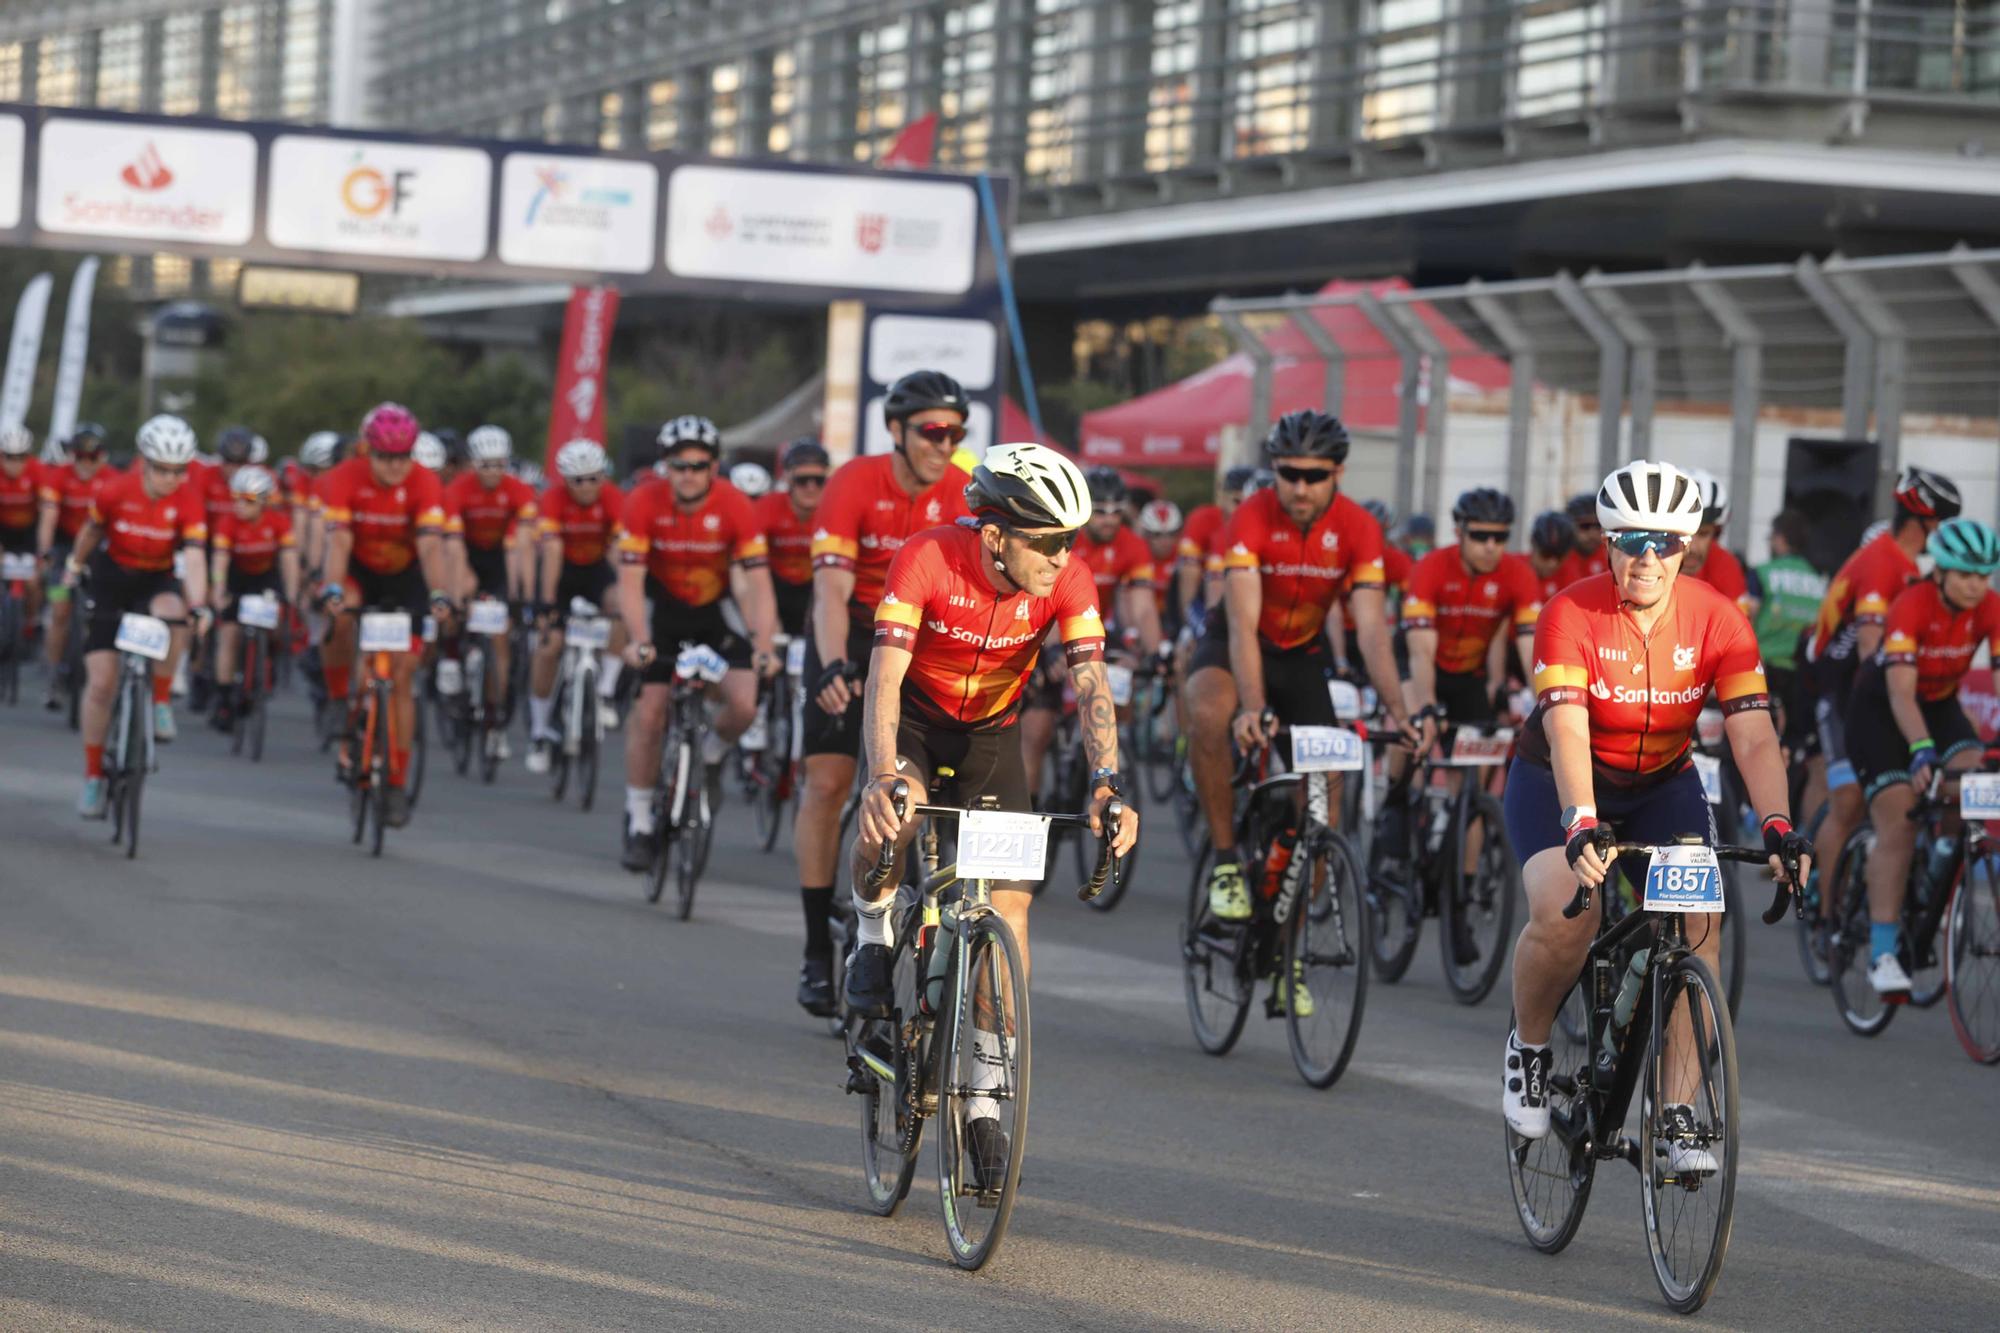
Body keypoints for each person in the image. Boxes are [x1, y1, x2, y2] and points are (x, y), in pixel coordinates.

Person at [846, 442, 1138, 1186]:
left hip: (989, 738)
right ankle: (871, 929)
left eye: (1070, 538)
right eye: (1046, 540)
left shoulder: (1066, 578)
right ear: (996, 533)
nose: (1060, 555)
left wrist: (1107, 782)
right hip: (912, 724)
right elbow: (884, 678)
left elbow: (1091, 682)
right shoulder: (927, 558)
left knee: (1008, 912)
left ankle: (982, 1099)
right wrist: (883, 776)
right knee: (897, 816)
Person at [1500, 459, 1808, 1161]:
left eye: (1664, 541)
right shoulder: (1569, 613)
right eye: (1630, 538)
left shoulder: (1718, 618)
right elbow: (1568, 728)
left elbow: (1754, 733)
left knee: (1699, 927)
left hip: (1662, 782)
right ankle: (1531, 1047)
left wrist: (1780, 825)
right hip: (1558, 777)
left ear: (1686, 546)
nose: (1646, 556)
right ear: (1607, 542)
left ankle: (1674, 1111)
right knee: (1563, 912)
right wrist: (1580, 818)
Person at [1186, 410, 1423, 945]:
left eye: (1314, 476)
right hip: (1236, 645)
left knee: (1325, 808)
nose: (1299, 486)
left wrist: (1400, 714)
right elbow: (1243, 625)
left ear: (1337, 474)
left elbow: (1370, 631)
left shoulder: (1359, 528)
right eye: (1288, 473)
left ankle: (1286, 950)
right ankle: (1225, 860)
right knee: (1205, 709)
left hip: (1301, 656)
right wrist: (1251, 707)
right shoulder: (1250, 515)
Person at [792, 371, 974, 1018]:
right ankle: (818, 947)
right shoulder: (853, 482)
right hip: (854, 624)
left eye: (956, 432)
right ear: (897, 431)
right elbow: (832, 592)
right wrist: (837, 664)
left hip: (923, 635)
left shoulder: (964, 490)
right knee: (828, 782)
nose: (944, 443)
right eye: (932, 431)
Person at [1842, 517, 2000, 996]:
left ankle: (1943, 866)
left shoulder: (1991, 607)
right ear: (1941, 572)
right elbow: (1901, 695)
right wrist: (1919, 751)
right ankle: (1884, 952)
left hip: (1940, 703)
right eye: (1966, 574)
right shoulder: (1911, 605)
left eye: (1984, 575)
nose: (1976, 585)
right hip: (1881, 710)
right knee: (1900, 819)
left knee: (1976, 782)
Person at [614, 415, 779, 870]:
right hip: (662, 615)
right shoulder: (642, 501)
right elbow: (630, 582)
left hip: (713, 615)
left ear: (713, 467)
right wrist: (639, 640)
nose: (688, 474)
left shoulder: (734, 505)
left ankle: (709, 756)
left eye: (699, 465)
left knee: (745, 705)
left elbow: (759, 583)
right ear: (665, 466)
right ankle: (641, 820)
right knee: (649, 714)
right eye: (679, 465)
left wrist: (764, 644)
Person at [1801, 466, 1957, 949]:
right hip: (1840, 688)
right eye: (1947, 521)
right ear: (1925, 522)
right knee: (1847, 800)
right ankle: (1825, 918)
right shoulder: (1883, 562)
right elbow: (1871, 653)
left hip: (1877, 687)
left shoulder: (1915, 566)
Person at [1376, 488, 1542, 891]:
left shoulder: (1517, 575)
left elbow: (1530, 647)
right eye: (1480, 536)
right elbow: (1420, 649)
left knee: (1474, 782)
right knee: (1415, 729)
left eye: (1500, 538)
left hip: (1466, 674)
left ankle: (1462, 888)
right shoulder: (1431, 567)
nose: (1490, 546)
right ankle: (1395, 804)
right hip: (1420, 662)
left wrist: (1549, 704)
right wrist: (1429, 706)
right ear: (1459, 532)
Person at [63, 415, 211, 816]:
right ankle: (94, 776)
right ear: (146, 463)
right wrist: (74, 567)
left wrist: (200, 604)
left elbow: (195, 556)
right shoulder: (114, 490)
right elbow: (91, 534)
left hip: (155, 579)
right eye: (163, 470)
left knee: (176, 614)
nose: (171, 479)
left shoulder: (189, 498)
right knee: (101, 685)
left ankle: (160, 700)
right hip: (112, 578)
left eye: (179, 470)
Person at [315, 404, 453, 828]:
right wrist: (333, 589)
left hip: (407, 576)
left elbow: (431, 546)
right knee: (338, 618)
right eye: (384, 457)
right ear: (367, 452)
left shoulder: (426, 483)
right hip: (358, 570)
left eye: (402, 457)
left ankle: (395, 781)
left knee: (402, 678)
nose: (394, 467)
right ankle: (340, 700)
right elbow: (338, 544)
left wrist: (439, 593)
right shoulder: (344, 479)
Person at [1021, 466, 1162, 805]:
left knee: (1115, 695)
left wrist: (1157, 652)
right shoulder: (1064, 537)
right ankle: (1028, 808)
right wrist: (1049, 651)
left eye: (1117, 511)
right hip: (1049, 627)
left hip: (1093, 626)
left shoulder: (1133, 545)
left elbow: (1141, 607)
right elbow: (1044, 600)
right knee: (1037, 730)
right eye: (1100, 511)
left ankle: (1104, 761)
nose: (1109, 520)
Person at [526, 440, 627, 773]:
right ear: (565, 481)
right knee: (549, 647)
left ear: (603, 476)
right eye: (577, 480)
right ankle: (540, 731)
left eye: (593, 479)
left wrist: (623, 591)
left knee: (620, 603)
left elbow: (618, 551)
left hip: (596, 568)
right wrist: (547, 604)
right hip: (562, 572)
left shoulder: (613, 498)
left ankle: (607, 691)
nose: (586, 487)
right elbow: (551, 553)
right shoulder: (552, 500)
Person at [444, 424, 538, 759]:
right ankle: (451, 655)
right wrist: (457, 595)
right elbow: (452, 549)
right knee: (459, 594)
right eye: (485, 465)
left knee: (500, 639)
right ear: (473, 464)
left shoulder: (519, 490)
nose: (493, 472)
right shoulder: (457, 489)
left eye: (499, 464)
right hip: (466, 554)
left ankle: (495, 721)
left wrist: (520, 596)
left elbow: (522, 549)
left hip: (501, 559)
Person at [207, 465, 300, 733]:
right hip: (237, 577)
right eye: (236, 497)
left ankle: (263, 663)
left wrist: (291, 596)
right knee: (229, 636)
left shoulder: (279, 522)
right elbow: (220, 561)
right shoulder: (227, 522)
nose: (240, 505)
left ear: (263, 502)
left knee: (275, 627)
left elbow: (289, 560)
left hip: (266, 577)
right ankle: (224, 698)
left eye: (247, 500)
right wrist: (218, 590)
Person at [35, 423, 115, 709]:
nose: (85, 464)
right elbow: (48, 517)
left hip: (99, 550)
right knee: (59, 612)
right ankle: (54, 676)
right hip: (64, 548)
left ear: (102, 457)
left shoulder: (112, 480)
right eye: (79, 456)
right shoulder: (59, 477)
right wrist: (45, 552)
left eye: (92, 458)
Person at [1752, 509, 1828, 766]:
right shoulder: (1818, 581)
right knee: (1792, 753)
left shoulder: (1763, 573)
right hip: (1802, 678)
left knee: (1755, 747)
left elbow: (1743, 619)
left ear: (1780, 538)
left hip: (1762, 672)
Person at [757, 438, 828, 641]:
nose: (811, 487)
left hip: (815, 591)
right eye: (802, 480)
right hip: (775, 591)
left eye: (818, 480)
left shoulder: (835, 510)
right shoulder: (768, 506)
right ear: (788, 479)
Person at [1177, 465, 1252, 624]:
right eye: (1237, 501)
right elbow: (1191, 579)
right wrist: (1189, 626)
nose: (1243, 510)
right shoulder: (1201, 520)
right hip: (1203, 593)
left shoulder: (1253, 528)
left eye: (1249, 503)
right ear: (1222, 496)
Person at [1681, 469, 1757, 617]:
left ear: (1716, 535)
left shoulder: (1725, 566)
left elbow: (1737, 631)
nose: (1692, 547)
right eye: (1685, 533)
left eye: (1703, 534)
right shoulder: (1648, 560)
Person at [1, 425, 45, 655]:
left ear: (28, 457)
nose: (14, 463)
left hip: (29, 532)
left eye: (20, 457)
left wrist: (43, 550)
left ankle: (31, 621)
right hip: (3, 531)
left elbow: (48, 513)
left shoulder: (38, 472)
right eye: (9, 457)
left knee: (32, 582)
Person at [1553, 492, 1607, 587]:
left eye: (1598, 526)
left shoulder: (1611, 556)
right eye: (1585, 526)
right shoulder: (1554, 559)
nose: (1592, 534)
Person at [1527, 510, 1574, 602]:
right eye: (1546, 554)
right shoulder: (1514, 571)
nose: (1552, 564)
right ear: (1533, 544)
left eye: (1559, 556)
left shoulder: (1570, 577)